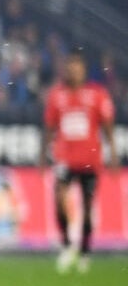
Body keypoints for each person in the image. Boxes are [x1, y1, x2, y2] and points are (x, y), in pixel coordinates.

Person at [44, 52, 115, 274]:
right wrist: (41, 155)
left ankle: (84, 251)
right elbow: (49, 126)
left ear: (84, 69)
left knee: (87, 206)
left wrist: (113, 153)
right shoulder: (57, 95)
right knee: (59, 199)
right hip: (64, 158)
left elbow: (107, 126)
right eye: (70, 66)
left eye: (77, 66)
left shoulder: (97, 95)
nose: (73, 70)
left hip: (89, 159)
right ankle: (66, 245)